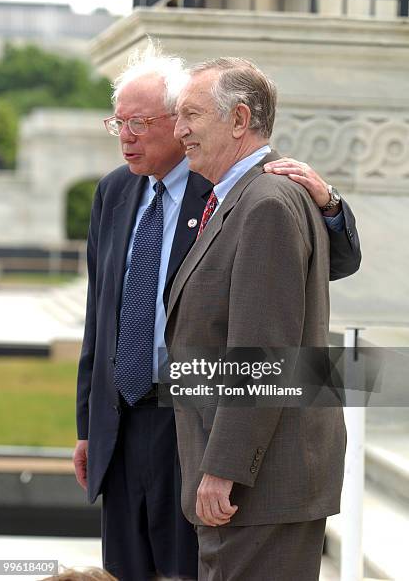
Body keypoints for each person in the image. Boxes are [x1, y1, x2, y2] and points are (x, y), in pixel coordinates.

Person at [73, 45, 360, 581]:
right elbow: (100, 315)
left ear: (237, 121)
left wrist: (329, 206)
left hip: (206, 425)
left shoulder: (240, 187)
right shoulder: (115, 192)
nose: (127, 135)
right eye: (118, 123)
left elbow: (285, 309)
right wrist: (88, 420)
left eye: (143, 121)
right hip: (126, 425)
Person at [166, 57, 349, 581]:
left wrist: (223, 469)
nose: (179, 130)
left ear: (239, 120)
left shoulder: (265, 202)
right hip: (259, 489)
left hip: (259, 489)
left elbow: (262, 353)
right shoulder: (248, 197)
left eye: (192, 115)